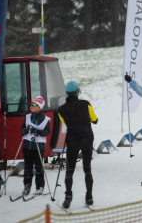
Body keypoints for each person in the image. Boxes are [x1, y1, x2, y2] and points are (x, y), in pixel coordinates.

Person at [58, 81, 98, 209]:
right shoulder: (85, 104)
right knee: (87, 168)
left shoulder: (61, 110)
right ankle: (89, 197)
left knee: (70, 170)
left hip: (72, 140)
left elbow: (65, 122)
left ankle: (68, 197)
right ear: (77, 92)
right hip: (87, 138)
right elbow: (94, 119)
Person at [21, 96, 51, 196]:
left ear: (40, 107)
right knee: (28, 167)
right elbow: (22, 129)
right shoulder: (27, 117)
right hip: (27, 146)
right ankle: (27, 185)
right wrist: (24, 131)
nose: (31, 106)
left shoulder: (46, 119)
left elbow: (47, 132)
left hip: (38, 146)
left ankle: (40, 186)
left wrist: (38, 131)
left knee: (39, 167)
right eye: (31, 104)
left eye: (34, 105)